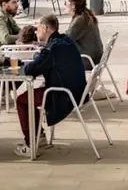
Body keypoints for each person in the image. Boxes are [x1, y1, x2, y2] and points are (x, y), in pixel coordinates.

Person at [14, 14, 87, 158]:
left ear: (45, 28)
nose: (36, 32)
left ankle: (31, 144)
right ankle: (38, 137)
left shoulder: (52, 49)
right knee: (29, 97)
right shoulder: (65, 40)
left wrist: (34, 56)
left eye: (37, 28)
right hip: (76, 90)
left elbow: (31, 70)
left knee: (22, 100)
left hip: (62, 94)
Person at [65, 0, 103, 70]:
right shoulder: (85, 15)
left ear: (73, 5)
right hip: (93, 56)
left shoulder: (80, 19)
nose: (65, 5)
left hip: (87, 59)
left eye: (66, 3)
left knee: (52, 59)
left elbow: (67, 39)